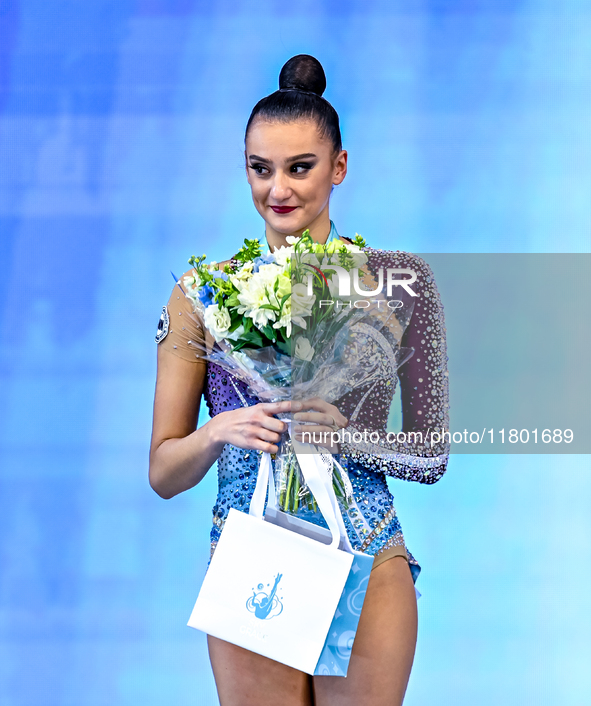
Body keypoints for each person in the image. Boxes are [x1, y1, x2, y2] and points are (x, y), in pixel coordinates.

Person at [149, 54, 449, 706]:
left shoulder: (399, 286)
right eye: (260, 169)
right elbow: (162, 471)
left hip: (366, 555)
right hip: (251, 556)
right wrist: (216, 433)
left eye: (299, 167)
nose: (277, 188)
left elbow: (431, 456)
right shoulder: (200, 293)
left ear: (339, 167)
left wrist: (346, 439)